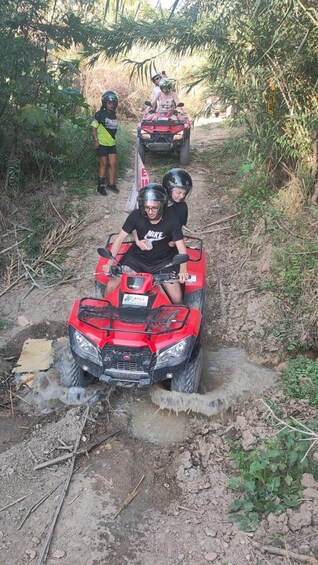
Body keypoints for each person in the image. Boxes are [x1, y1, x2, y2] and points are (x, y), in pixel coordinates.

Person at [102, 183, 188, 304]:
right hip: (136, 260)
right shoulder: (136, 215)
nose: (150, 212)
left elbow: (181, 246)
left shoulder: (171, 219)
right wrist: (109, 262)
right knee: (110, 287)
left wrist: (183, 269)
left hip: (162, 262)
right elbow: (119, 239)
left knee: (177, 297)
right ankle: (107, 313)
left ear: (162, 206)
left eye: (154, 208)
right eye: (146, 208)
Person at [91, 90, 119, 196]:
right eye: (109, 103)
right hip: (102, 143)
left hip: (111, 143)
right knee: (103, 164)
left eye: (113, 103)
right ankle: (101, 186)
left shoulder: (113, 114)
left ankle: (111, 184)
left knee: (113, 164)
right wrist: (96, 140)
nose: (112, 105)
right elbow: (93, 128)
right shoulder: (99, 114)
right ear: (105, 103)